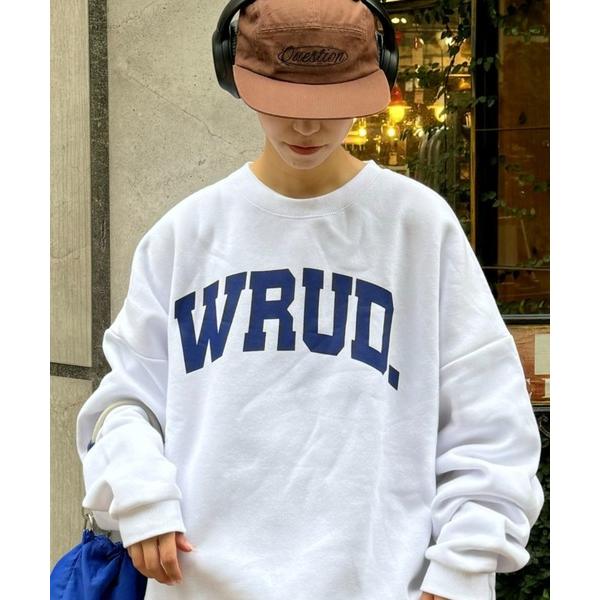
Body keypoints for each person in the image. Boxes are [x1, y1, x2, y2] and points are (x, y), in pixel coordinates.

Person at [75, 1, 545, 599]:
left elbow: (488, 418)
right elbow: (125, 402)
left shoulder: (418, 228)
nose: (305, 126)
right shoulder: (184, 236)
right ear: (235, 76)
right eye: (283, 100)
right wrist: (140, 495)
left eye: (329, 103)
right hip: (200, 582)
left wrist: (464, 566)